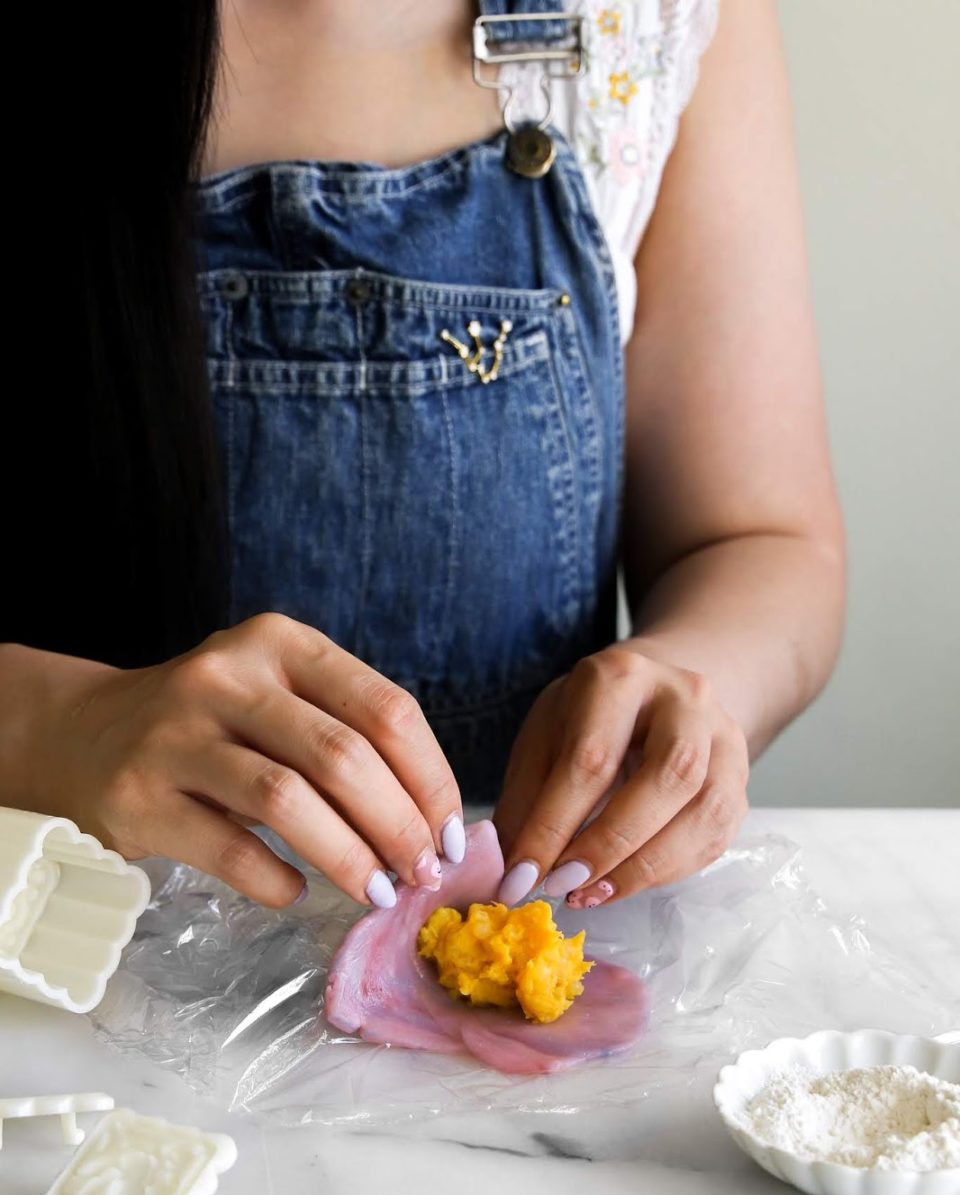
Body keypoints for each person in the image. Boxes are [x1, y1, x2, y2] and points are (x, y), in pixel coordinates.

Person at [0, 1, 844, 915]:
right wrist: (58, 726)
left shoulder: (641, 24)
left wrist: (684, 689)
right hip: (58, 969)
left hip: (517, 992)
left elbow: (759, 538)